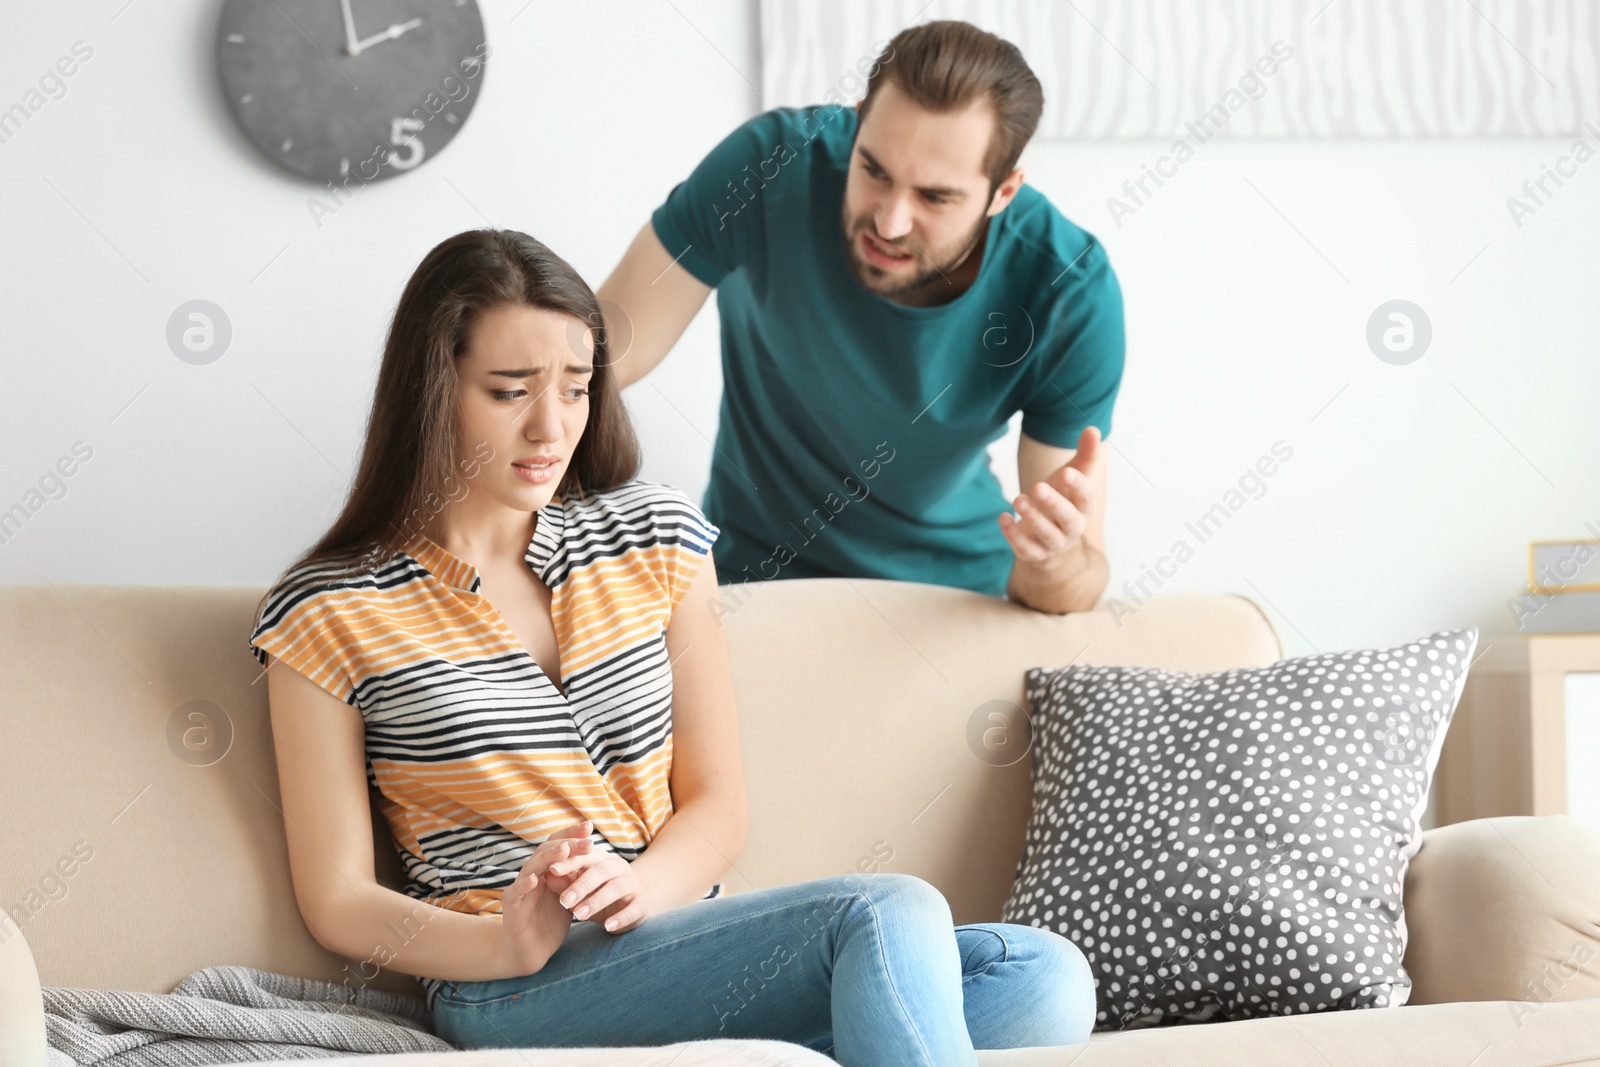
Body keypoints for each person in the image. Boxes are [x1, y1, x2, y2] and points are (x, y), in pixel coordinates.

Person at [247, 228, 1095, 1063]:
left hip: (679, 928)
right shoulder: (327, 609)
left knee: (1044, 972)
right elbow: (337, 898)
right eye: (510, 390)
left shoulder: (654, 537)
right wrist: (504, 943)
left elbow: (718, 803)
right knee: (890, 913)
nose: (551, 426)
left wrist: (642, 886)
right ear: (434, 390)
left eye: (576, 387)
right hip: (509, 981)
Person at [596, 19, 1125, 615]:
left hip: (948, 600)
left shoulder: (1068, 288)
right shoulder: (769, 168)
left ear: (1003, 192)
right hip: (751, 583)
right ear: (854, 123)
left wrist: (1053, 559)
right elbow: (604, 352)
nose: (890, 222)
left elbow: (1066, 590)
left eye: (934, 197)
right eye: (873, 170)